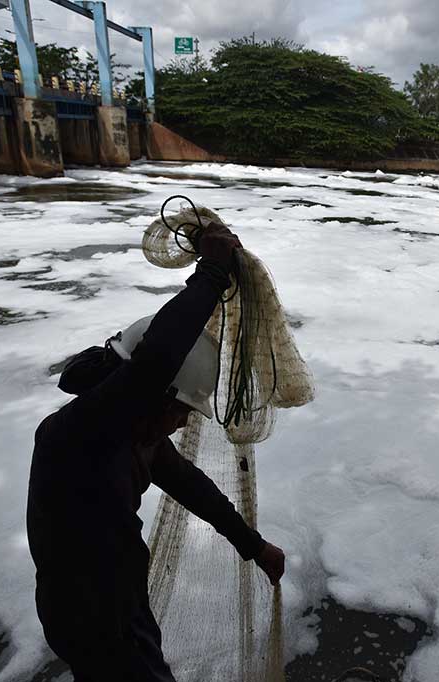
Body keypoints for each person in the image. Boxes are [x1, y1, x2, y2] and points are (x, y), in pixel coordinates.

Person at [26, 222, 285, 682]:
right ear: (155, 396)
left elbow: (192, 486)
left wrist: (253, 545)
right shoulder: (77, 434)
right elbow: (155, 362)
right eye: (183, 408)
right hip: (91, 619)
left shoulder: (132, 434)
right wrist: (211, 275)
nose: (186, 421)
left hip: (121, 607)